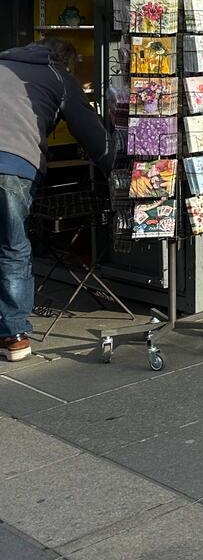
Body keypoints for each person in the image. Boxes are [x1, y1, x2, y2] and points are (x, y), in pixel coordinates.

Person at [0, 39, 112, 362]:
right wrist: (115, 168)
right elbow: (90, 132)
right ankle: (15, 336)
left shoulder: (6, 63)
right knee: (13, 245)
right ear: (66, 61)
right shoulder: (59, 76)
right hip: (14, 163)